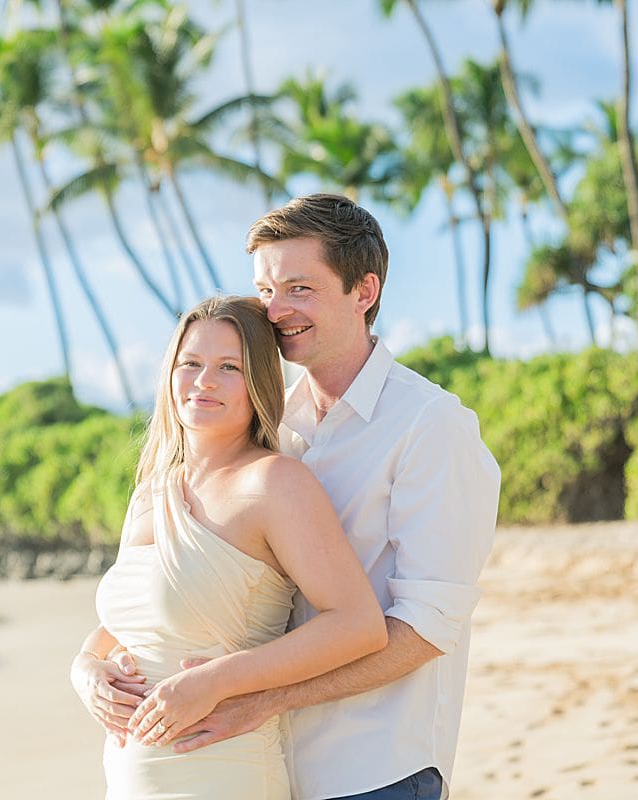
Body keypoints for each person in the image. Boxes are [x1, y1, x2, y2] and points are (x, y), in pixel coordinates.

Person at [79, 193, 501, 800]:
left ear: (365, 291)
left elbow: (428, 627)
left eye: (300, 288)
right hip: (265, 756)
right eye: (267, 290)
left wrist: (257, 698)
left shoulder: (432, 427)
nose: (276, 311)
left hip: (374, 765)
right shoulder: (277, 425)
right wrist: (86, 669)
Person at [73, 295, 389, 800]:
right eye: (191, 364)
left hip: (223, 773)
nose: (203, 382)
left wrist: (215, 682)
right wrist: (86, 668)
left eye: (228, 367)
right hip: (131, 778)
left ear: (258, 383)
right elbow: (131, 622)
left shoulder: (275, 482)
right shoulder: (152, 491)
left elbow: (357, 624)